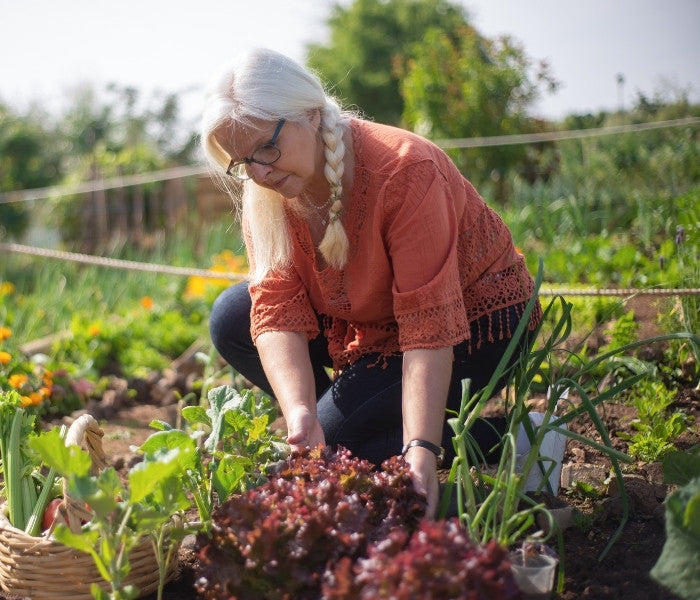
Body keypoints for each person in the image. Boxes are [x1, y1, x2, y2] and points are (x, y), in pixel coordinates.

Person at [201, 48, 542, 518]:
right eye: (242, 162)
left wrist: (420, 448)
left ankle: (522, 439)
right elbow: (276, 307)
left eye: (266, 147)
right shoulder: (268, 191)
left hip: (477, 321)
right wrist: (302, 414)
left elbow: (428, 326)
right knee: (232, 316)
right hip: (374, 322)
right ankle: (347, 426)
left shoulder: (405, 170)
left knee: (340, 443)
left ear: (310, 114)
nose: (259, 172)